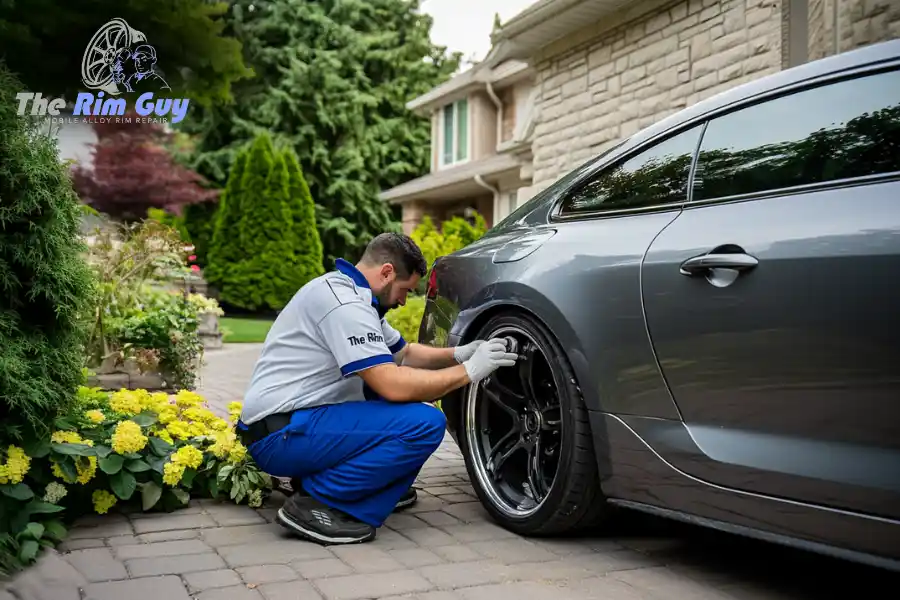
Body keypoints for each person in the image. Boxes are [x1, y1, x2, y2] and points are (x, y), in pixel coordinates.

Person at [236, 232, 518, 545]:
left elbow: (405, 354)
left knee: (397, 413)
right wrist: (470, 371)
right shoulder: (344, 305)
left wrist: (459, 353)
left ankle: (362, 485)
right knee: (423, 424)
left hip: (294, 424)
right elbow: (394, 385)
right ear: (386, 272)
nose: (402, 301)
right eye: (404, 290)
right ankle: (317, 503)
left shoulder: (352, 296)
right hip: (281, 435)